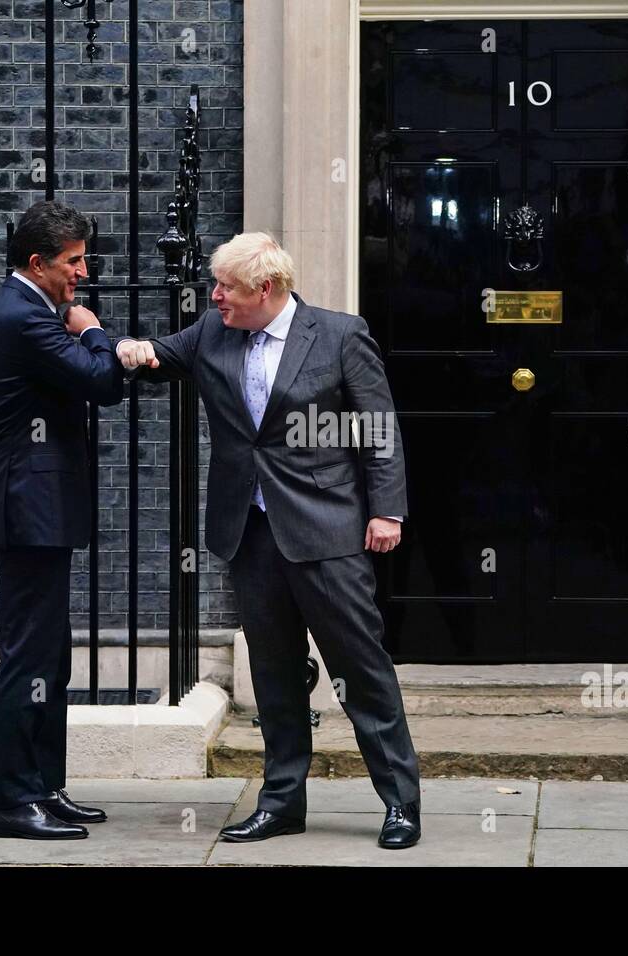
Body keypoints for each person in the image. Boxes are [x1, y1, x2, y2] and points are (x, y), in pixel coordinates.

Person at [117, 232, 423, 848]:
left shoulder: (339, 334)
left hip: (327, 528)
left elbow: (379, 428)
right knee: (275, 676)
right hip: (251, 532)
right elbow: (159, 358)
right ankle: (282, 801)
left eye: (226, 287)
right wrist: (117, 344)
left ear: (266, 289)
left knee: (360, 670)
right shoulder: (212, 331)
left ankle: (400, 803)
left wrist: (386, 511)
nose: (215, 296)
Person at [0, 200, 128, 840]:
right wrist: (92, 331)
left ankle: (44, 788)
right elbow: (102, 380)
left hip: (38, 510)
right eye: (74, 261)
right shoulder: (24, 318)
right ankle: (10, 802)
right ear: (37, 263)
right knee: (28, 658)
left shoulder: (32, 312)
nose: (83, 272)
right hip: (26, 511)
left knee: (50, 658)